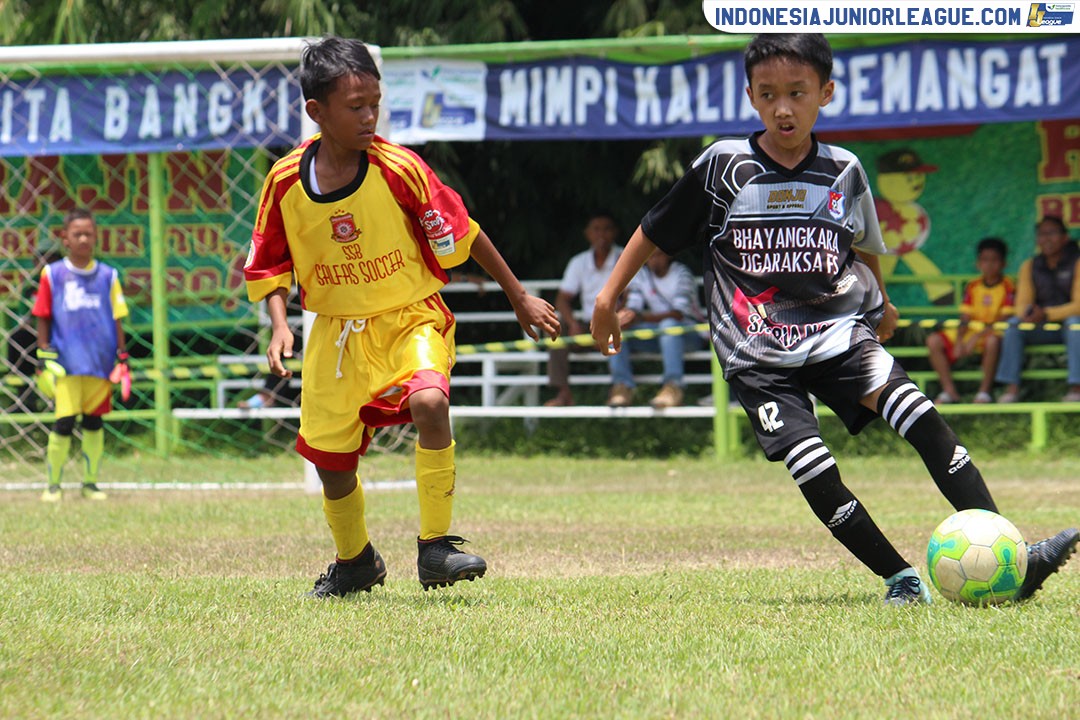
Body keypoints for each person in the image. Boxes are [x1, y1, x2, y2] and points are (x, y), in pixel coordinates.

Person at [590, 34, 1077, 606]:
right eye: (768, 95)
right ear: (750, 96)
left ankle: (1015, 561)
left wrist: (884, 303)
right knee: (814, 466)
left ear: (826, 92)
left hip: (839, 333)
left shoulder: (844, 170)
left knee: (923, 418)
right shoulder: (724, 166)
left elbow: (862, 243)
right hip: (756, 351)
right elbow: (654, 228)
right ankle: (900, 580)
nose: (783, 108)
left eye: (797, 93)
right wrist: (607, 298)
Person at [244, 36, 559, 598]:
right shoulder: (285, 181)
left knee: (430, 402)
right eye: (355, 107)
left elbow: (466, 232)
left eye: (375, 103)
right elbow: (270, 261)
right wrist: (280, 324)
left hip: (410, 317)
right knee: (331, 462)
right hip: (335, 332)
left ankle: (435, 548)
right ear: (317, 111)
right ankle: (355, 562)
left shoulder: (400, 168)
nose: (370, 117)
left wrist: (518, 296)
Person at [32, 208, 129, 502]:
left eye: (88, 233)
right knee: (63, 423)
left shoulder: (108, 275)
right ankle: (53, 485)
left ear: (96, 236)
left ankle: (90, 483)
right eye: (77, 234)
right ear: (66, 238)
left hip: (100, 362)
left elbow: (117, 317)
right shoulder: (53, 274)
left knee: (94, 422)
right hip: (66, 363)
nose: (83, 239)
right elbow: (42, 314)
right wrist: (43, 353)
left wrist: (122, 356)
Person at [995, 216, 1080, 403]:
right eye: (1042, 234)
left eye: (1052, 233)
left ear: (1065, 237)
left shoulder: (1077, 261)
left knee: (1075, 324)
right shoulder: (1030, 266)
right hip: (1042, 327)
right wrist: (1029, 313)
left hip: (1070, 327)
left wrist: (1047, 314)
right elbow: (1021, 304)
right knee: (1014, 325)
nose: (1046, 239)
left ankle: (1077, 388)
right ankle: (1011, 389)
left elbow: (1078, 305)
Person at [545, 211, 626, 406]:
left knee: (623, 323)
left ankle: (620, 390)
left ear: (615, 232)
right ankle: (563, 393)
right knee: (555, 326)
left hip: (615, 323)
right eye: (596, 229)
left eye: (606, 229)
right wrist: (572, 323)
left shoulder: (625, 257)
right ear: (587, 233)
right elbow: (562, 299)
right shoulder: (579, 262)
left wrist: (610, 323)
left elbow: (632, 297)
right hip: (587, 326)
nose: (601, 234)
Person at [607, 250, 705, 408]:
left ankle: (673, 387)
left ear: (668, 255)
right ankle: (621, 387)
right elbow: (633, 307)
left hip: (690, 334)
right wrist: (624, 317)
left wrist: (639, 318)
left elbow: (678, 314)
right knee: (616, 330)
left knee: (669, 325)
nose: (653, 260)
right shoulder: (642, 275)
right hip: (660, 336)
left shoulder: (682, 274)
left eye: (658, 255)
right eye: (650, 256)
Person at [926, 237, 1014, 404]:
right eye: (985, 260)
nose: (989, 265)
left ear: (1004, 263)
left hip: (993, 333)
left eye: (994, 260)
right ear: (978, 263)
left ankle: (984, 392)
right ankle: (949, 391)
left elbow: (1003, 318)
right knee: (933, 340)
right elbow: (965, 317)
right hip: (971, 332)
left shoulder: (1008, 286)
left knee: (993, 342)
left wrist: (976, 337)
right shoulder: (973, 286)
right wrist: (960, 340)